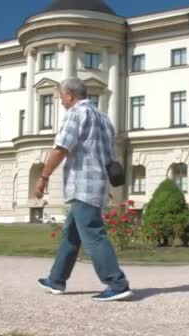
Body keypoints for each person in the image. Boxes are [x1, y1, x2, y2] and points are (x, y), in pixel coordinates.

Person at [34, 77, 132, 302]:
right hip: (97, 184)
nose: (60, 101)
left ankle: (117, 283)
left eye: (60, 97)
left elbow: (61, 149)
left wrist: (44, 177)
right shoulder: (104, 118)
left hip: (82, 185)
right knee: (71, 235)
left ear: (70, 96)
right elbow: (109, 156)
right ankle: (56, 279)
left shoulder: (76, 114)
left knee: (94, 235)